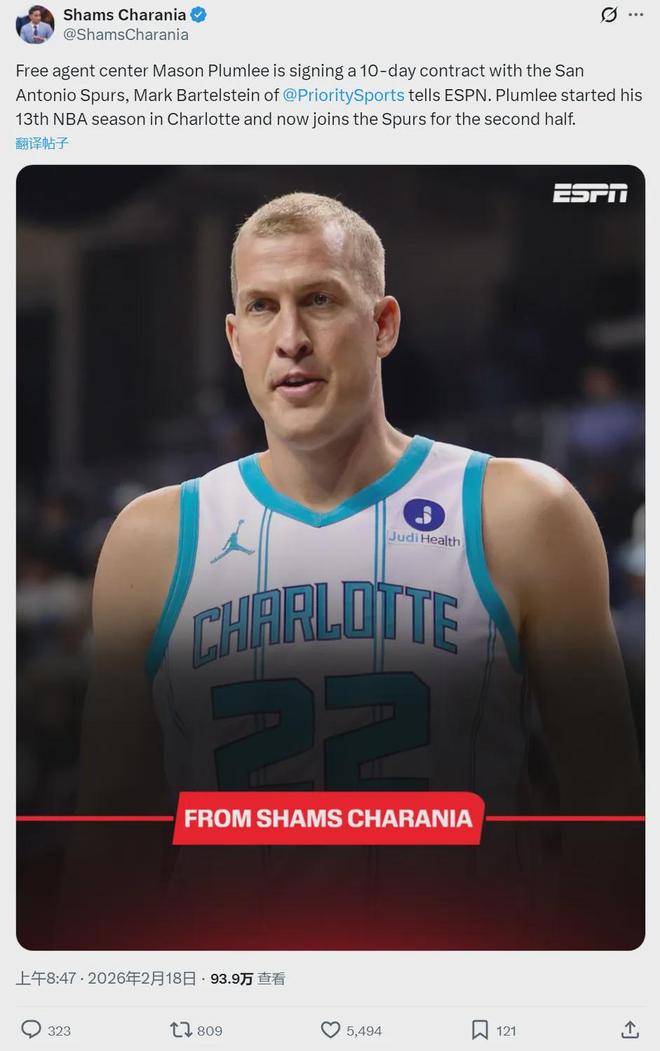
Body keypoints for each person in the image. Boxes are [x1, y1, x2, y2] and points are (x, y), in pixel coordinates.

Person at [72, 193, 642, 947]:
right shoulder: (153, 539)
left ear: (383, 324)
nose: (291, 339)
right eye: (263, 307)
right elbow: (111, 832)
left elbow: (609, 797)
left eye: (319, 300)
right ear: (235, 339)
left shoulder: (521, 512)